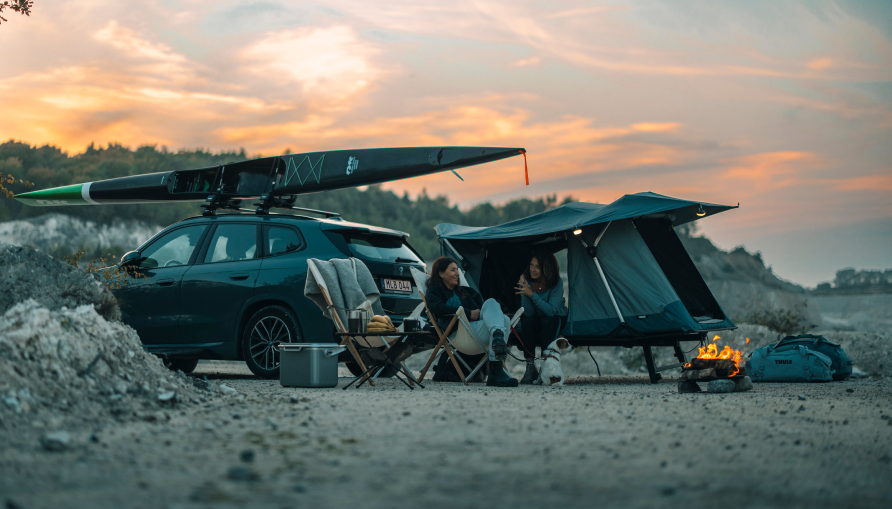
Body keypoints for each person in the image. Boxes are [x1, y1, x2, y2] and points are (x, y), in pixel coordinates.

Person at [425, 256, 518, 387]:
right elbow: (436, 307)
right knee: (504, 321)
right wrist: (468, 313)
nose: (457, 273)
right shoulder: (435, 291)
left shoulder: (466, 291)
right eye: (453, 270)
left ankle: (497, 337)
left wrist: (479, 312)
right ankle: (495, 371)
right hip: (460, 333)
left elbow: (482, 308)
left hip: (475, 330)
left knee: (495, 307)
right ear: (441, 273)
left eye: (457, 270)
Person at [515, 251, 568, 384]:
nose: (533, 269)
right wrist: (524, 291)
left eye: (537, 266)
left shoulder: (556, 282)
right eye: (531, 265)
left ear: (546, 268)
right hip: (537, 316)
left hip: (556, 317)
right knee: (527, 321)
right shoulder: (528, 281)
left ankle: (545, 367)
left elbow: (551, 311)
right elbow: (528, 312)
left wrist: (531, 294)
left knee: (548, 321)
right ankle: (530, 366)